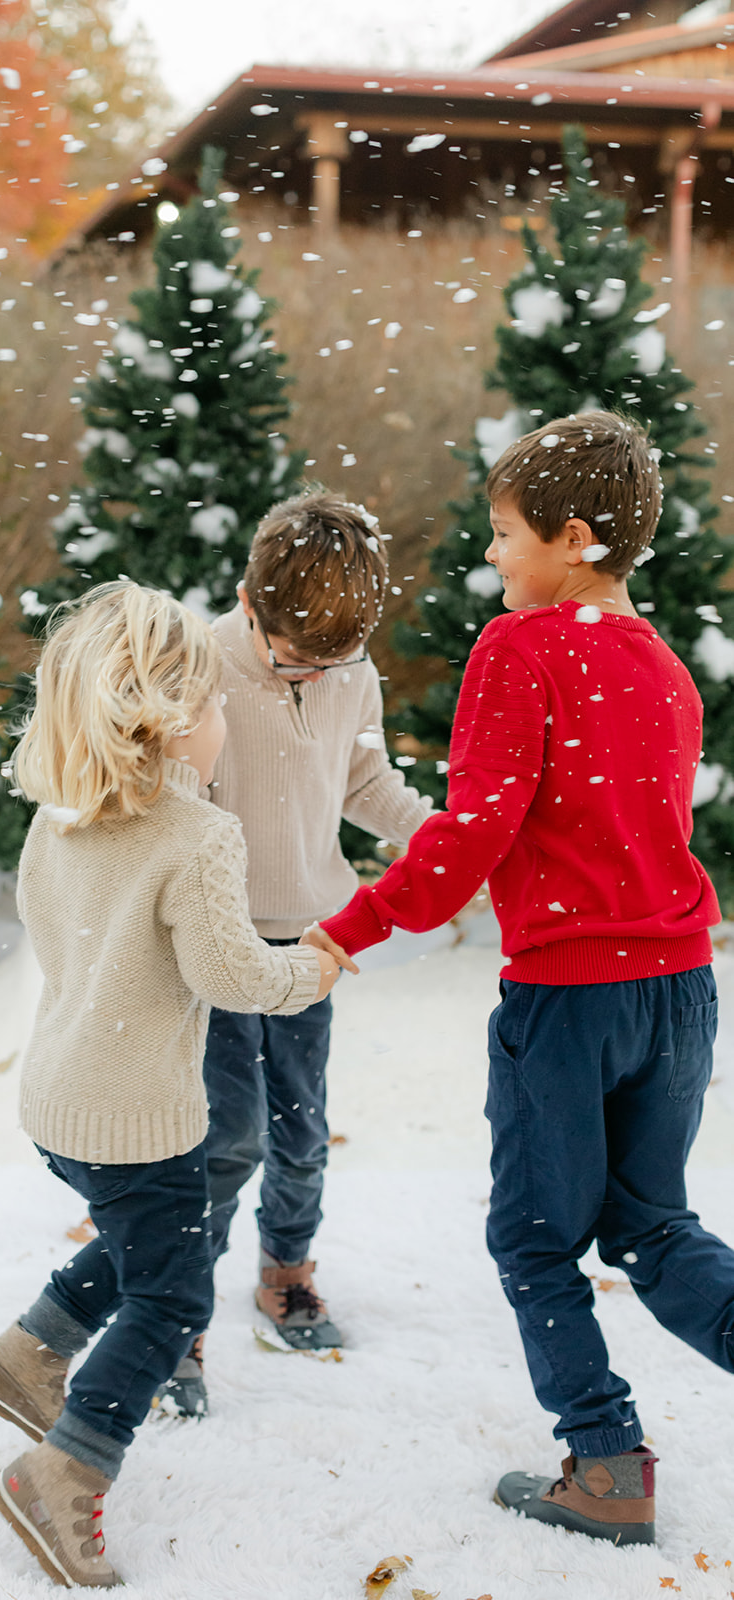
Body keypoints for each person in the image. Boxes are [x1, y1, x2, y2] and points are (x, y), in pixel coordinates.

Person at [304, 411, 732, 1548]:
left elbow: (470, 834)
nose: (489, 555)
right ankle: (604, 1450)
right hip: (681, 985)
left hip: (572, 997)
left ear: (575, 538)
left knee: (537, 1240)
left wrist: (348, 929)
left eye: (502, 534)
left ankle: (602, 1464)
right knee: (649, 1225)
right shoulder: (664, 670)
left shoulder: (522, 650)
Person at [0, 581, 337, 1589]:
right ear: (169, 719)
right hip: (139, 1118)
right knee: (171, 1292)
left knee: (144, 1245)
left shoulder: (61, 819)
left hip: (59, 1100)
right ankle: (67, 1469)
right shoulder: (195, 835)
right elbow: (232, 978)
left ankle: (28, 1352)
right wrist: (315, 964)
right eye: (213, 707)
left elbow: (56, 931)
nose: (223, 725)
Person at [157, 490, 432, 1419]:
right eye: (297, 657)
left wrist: (435, 838)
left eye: (335, 659)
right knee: (224, 1136)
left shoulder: (348, 669)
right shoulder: (198, 665)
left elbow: (362, 776)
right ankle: (175, 1315)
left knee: (302, 1129)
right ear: (248, 599)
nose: (317, 672)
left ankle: (286, 1272)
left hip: (314, 937)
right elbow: (170, 805)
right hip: (219, 941)